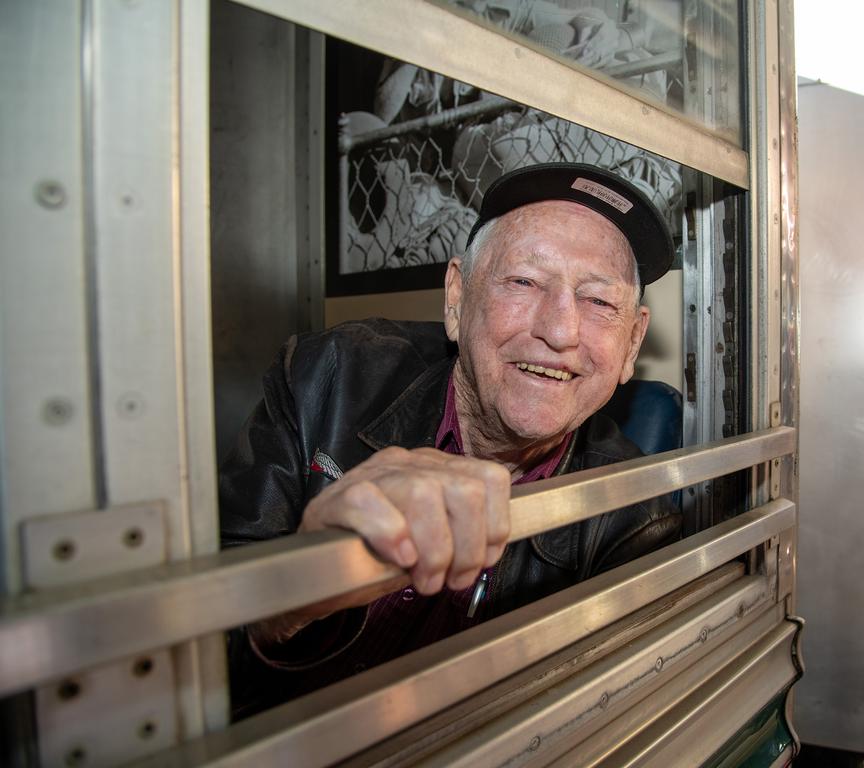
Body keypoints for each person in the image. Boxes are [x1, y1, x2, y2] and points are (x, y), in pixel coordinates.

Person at [220, 162, 682, 717]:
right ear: (457, 298)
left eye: (599, 302)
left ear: (632, 344)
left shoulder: (635, 516)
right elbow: (185, 651)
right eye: (524, 282)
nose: (559, 331)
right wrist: (302, 581)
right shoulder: (325, 377)